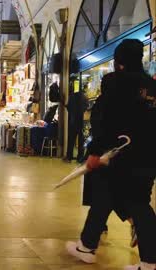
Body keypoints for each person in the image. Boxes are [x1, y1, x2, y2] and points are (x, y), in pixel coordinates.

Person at [65, 39, 156, 270]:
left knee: (135, 205)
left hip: (119, 154)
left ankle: (148, 262)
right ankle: (86, 245)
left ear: (119, 61)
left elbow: (105, 121)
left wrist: (95, 151)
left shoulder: (115, 82)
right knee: (106, 198)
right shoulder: (151, 86)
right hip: (148, 156)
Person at [64, 85, 88, 163]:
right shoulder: (84, 98)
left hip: (73, 121)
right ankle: (80, 158)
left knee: (71, 140)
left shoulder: (71, 97)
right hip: (81, 121)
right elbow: (86, 107)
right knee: (81, 140)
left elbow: (68, 107)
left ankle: (69, 157)